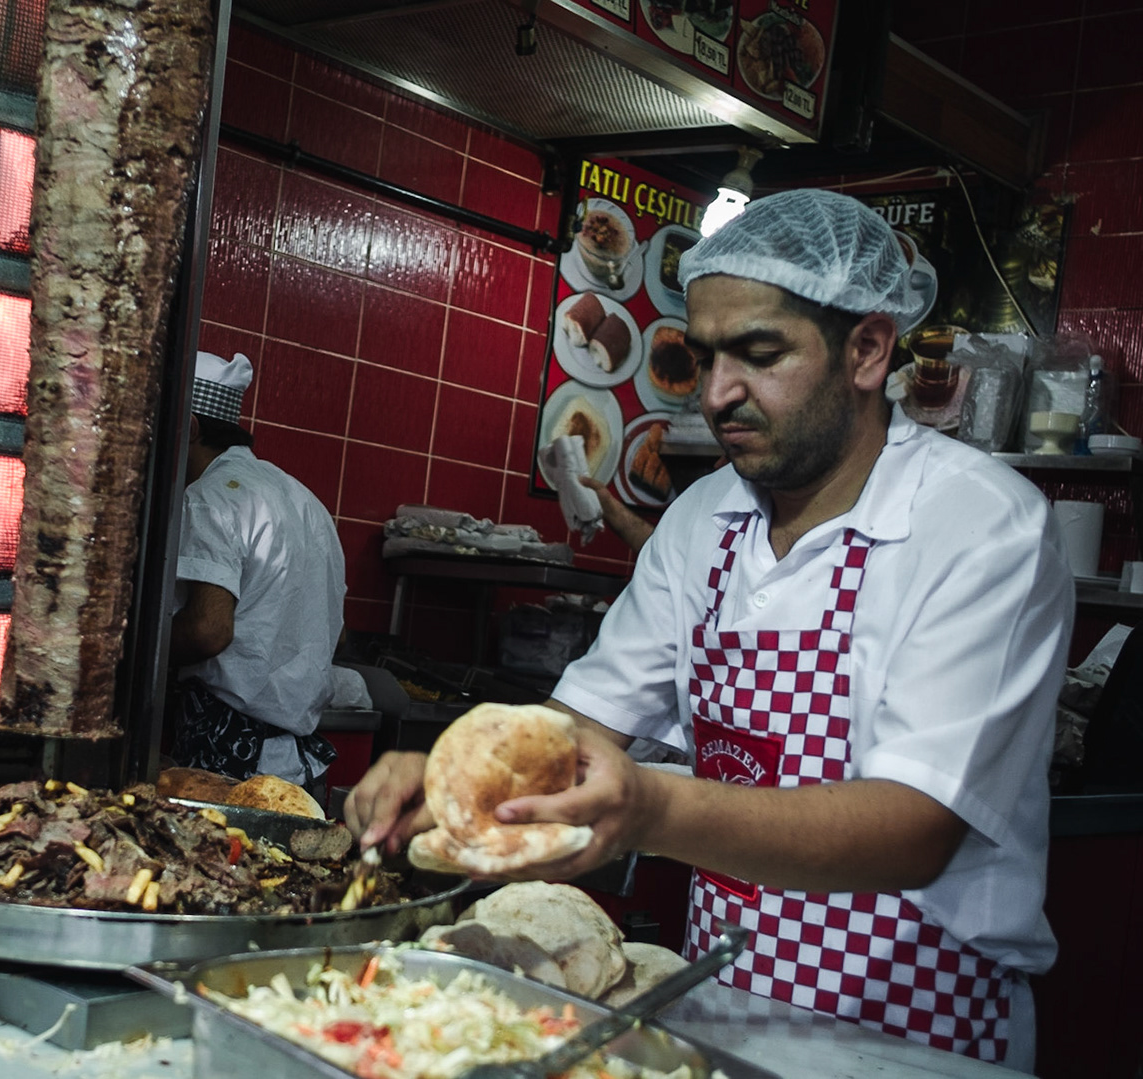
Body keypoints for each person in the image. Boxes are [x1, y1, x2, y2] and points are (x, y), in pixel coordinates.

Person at [345, 189, 1069, 1069]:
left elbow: (915, 825)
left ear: (869, 349)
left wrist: (654, 805)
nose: (719, 393)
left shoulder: (978, 523)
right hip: (712, 1003)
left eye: (760, 354)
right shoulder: (702, 520)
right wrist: (466, 781)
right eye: (706, 355)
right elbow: (586, 727)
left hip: (916, 1029)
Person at [170, 351, 347, 786]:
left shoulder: (210, 496)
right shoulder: (304, 498)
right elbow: (331, 629)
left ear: (190, 428)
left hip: (225, 755)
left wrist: (131, 649)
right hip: (291, 762)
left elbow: (208, 629)